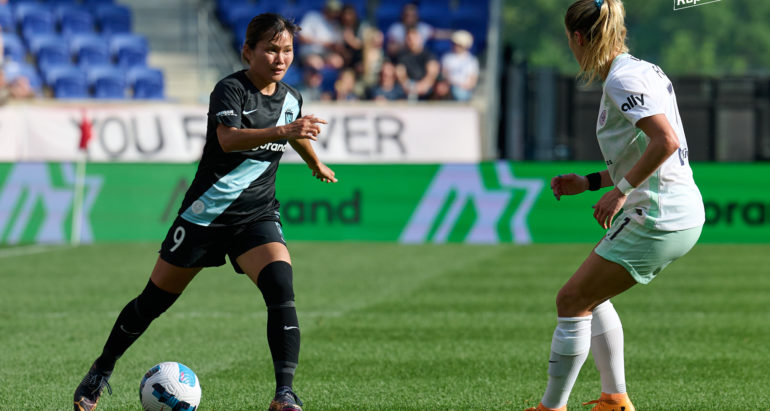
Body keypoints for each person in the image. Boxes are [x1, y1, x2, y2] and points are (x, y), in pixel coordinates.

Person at [73, 13, 337, 411]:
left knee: (281, 284)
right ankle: (102, 368)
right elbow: (228, 140)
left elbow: (294, 130)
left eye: (287, 50)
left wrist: (314, 161)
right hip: (205, 216)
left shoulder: (291, 99)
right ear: (248, 51)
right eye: (270, 49)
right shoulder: (230, 90)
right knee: (153, 303)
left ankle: (284, 394)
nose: (280, 58)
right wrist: (284, 133)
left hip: (256, 217)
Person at [524, 1, 704, 410]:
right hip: (674, 209)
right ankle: (614, 398)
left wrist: (620, 190)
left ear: (577, 37)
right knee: (591, 295)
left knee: (570, 301)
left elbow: (665, 143)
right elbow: (645, 152)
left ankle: (551, 407)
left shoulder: (622, 80)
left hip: (659, 215)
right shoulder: (642, 70)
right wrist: (589, 183)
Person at [297, 0, 345, 71]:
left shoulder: (337, 25)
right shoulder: (313, 17)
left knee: (338, 62)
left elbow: (338, 47)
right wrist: (322, 43)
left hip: (326, 55)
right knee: (316, 64)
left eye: (336, 11)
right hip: (309, 53)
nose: (334, 13)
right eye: (331, 10)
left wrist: (335, 47)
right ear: (325, 9)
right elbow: (301, 37)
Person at [394, 27, 439, 100]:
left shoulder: (428, 54)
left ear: (420, 39)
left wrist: (423, 86)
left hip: (426, 87)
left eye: (414, 38)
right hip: (408, 87)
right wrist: (409, 86)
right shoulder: (402, 55)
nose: (411, 41)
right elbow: (400, 73)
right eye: (409, 39)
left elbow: (432, 73)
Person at [440, 30, 479, 101]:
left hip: (463, 90)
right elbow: (444, 75)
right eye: (454, 43)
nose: (456, 46)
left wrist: (461, 86)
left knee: (460, 93)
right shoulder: (447, 57)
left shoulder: (471, 60)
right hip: (449, 87)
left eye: (459, 44)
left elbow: (472, 81)